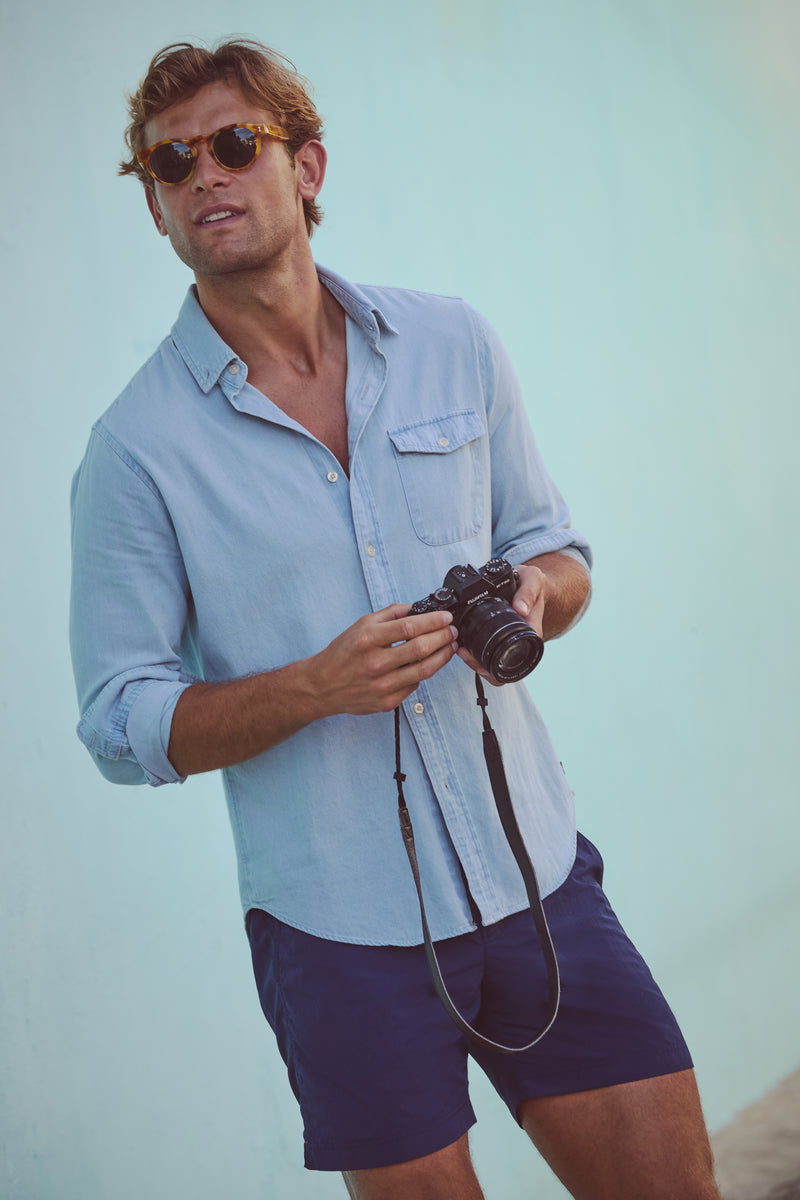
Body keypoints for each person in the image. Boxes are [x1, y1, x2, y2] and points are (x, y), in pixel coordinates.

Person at [70, 38, 721, 1200]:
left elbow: (556, 546)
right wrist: (310, 688)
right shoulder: (134, 451)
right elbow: (119, 724)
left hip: (536, 881)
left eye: (235, 143)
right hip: (338, 938)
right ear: (156, 206)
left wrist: (535, 598)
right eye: (170, 163)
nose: (204, 173)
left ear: (306, 166)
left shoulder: (450, 342)